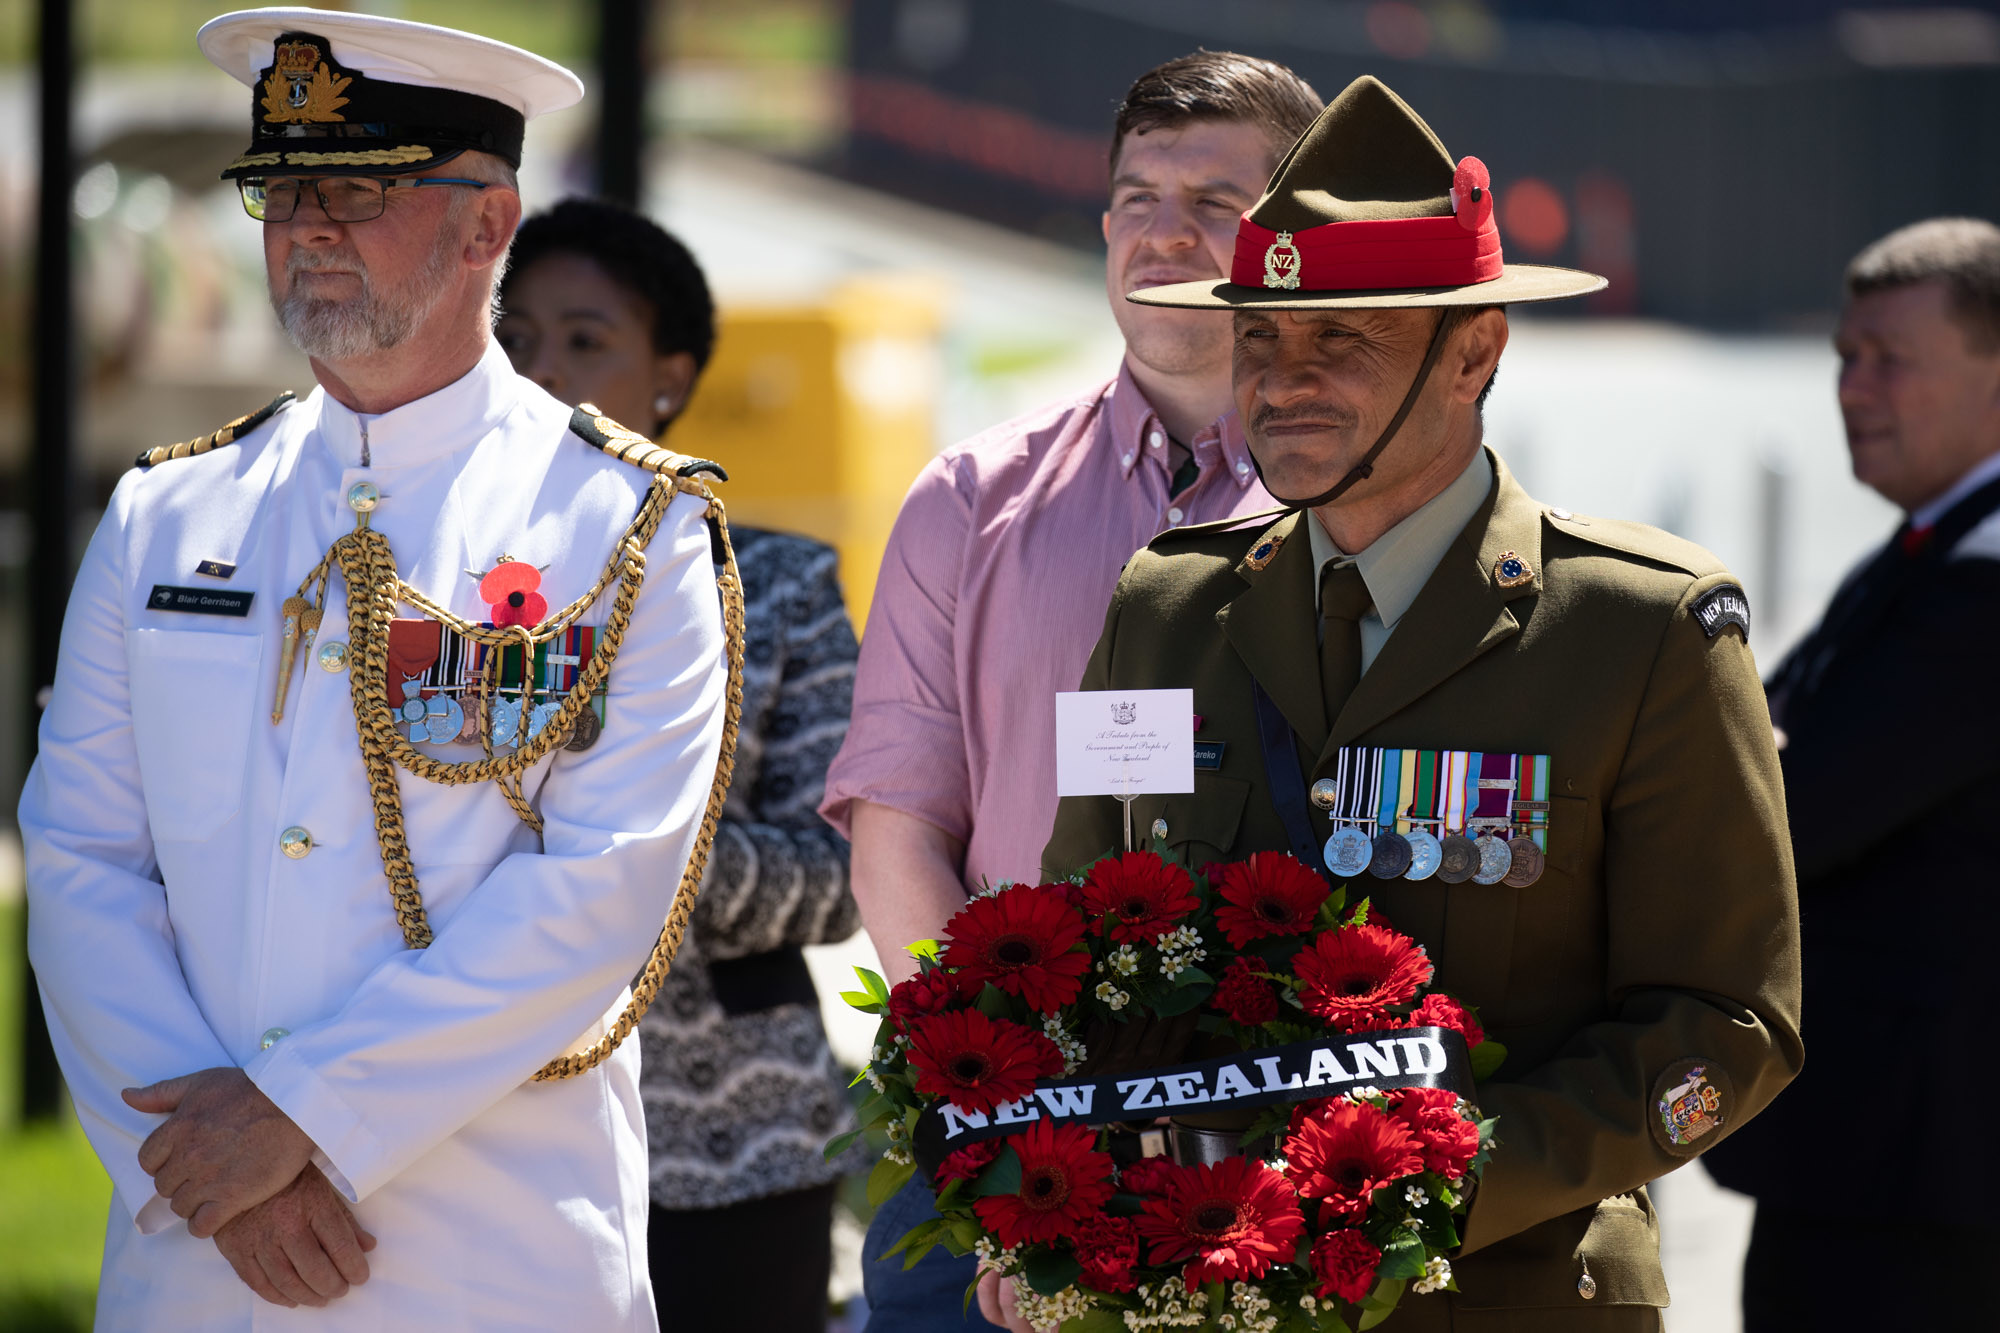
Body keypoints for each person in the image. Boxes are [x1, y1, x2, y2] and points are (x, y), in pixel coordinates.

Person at [1027, 75, 1803, 1333]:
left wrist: (1415, 1195)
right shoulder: (1168, 609)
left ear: (1474, 352)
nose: (1281, 380)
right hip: (1198, 1291)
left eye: (1341, 339)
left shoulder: (1636, 628)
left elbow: (1725, 1022)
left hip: (1503, 1289)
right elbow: (1076, 942)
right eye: (1263, 339)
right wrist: (1060, 1200)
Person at [20, 11, 732, 1329]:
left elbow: (603, 886)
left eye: (357, 189)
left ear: (488, 222)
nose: (308, 230)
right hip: (199, 1253)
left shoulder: (622, 522)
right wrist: (210, 1167)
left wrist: (310, 1116)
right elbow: (78, 855)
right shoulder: (168, 514)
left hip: (489, 1256)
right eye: (281, 192)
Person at [817, 50, 1321, 1329]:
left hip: (1275, 1167)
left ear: (1291, 236)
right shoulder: (968, 503)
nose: (1163, 233)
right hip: (993, 1154)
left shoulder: (1363, 517)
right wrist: (1014, 1115)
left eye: (1214, 201)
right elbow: (897, 830)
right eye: (1137, 197)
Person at [496, 197, 865, 1333]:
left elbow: (835, 873)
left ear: (672, 377)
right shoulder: (400, 587)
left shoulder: (780, 586)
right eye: (511, 340)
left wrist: (615, 844)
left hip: (731, 1148)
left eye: (584, 340)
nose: (540, 372)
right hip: (470, 1141)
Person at [1702, 217, 2000, 1331]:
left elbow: (1798, 801)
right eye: (1842, 357)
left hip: (1923, 1165)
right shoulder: (1936, 538)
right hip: (1884, 1153)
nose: (1852, 386)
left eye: (1890, 359)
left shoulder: (1980, 583)